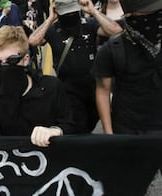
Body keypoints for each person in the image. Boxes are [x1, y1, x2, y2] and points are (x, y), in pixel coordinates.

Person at [0, 25, 75, 147]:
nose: (5, 66)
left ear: (26, 59)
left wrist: (55, 131)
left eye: (12, 60)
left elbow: (69, 124)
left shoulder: (51, 87)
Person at [28, 0, 122, 133]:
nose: (70, 16)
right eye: (66, 13)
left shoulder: (89, 25)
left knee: (91, 121)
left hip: (92, 86)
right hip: (68, 89)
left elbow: (116, 31)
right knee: (78, 126)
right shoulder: (53, 30)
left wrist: (93, 11)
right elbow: (32, 41)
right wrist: (50, 19)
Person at [93, 0, 162, 135]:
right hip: (129, 133)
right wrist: (109, 134)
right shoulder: (112, 50)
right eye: (151, 13)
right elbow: (102, 91)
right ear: (131, 16)